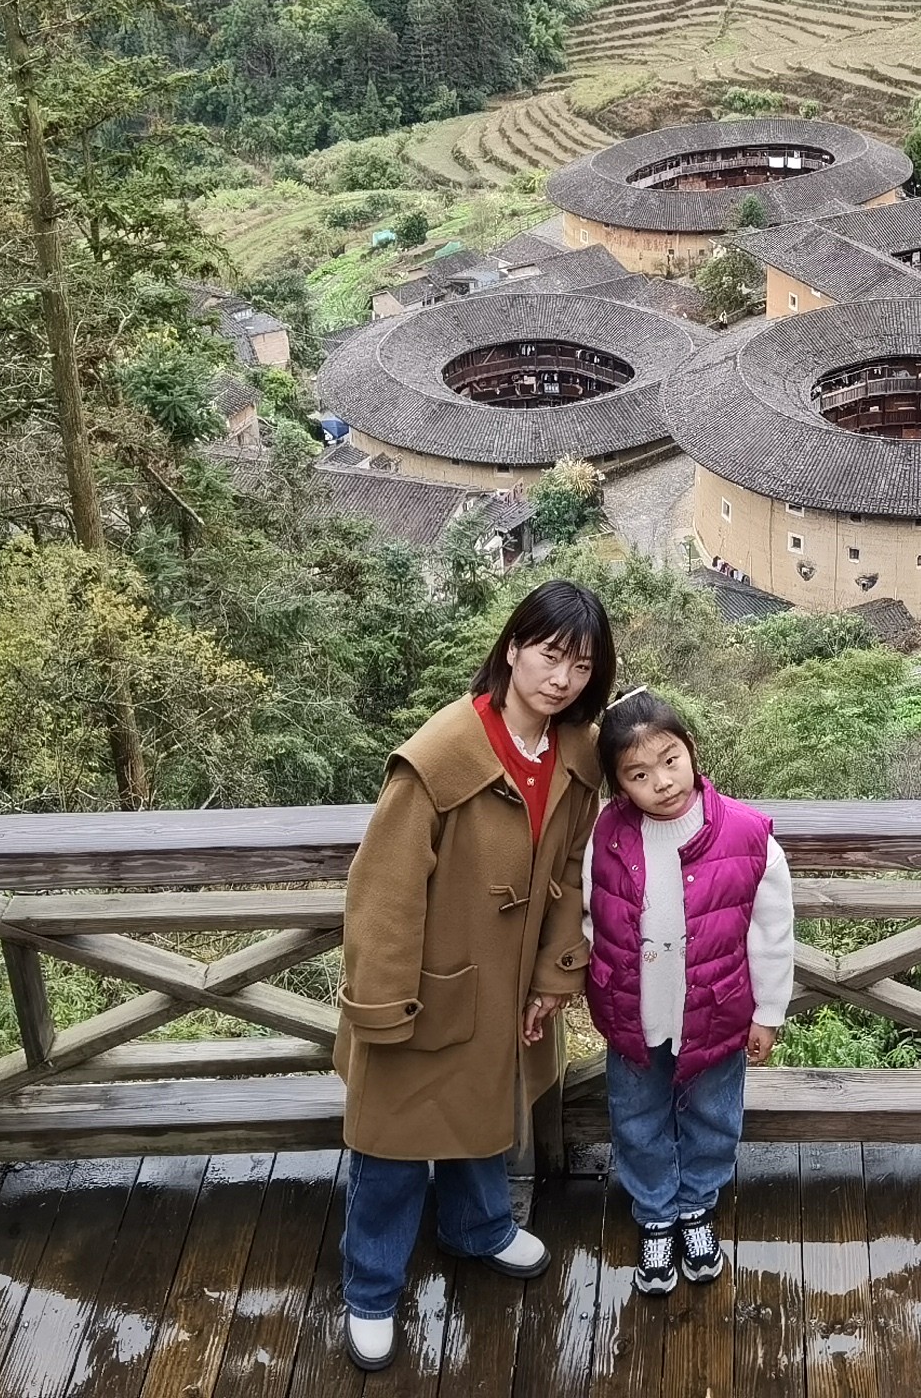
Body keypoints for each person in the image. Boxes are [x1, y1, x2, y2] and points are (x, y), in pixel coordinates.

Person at [332, 581, 616, 1369]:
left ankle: (478, 1228)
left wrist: (557, 977)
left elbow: (569, 873)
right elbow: (382, 892)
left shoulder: (574, 755)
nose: (561, 679)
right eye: (550, 655)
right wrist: (382, 1006)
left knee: (485, 1119)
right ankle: (371, 1288)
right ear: (514, 648)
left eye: (581, 665)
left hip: (508, 983)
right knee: (390, 1147)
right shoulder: (441, 756)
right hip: (428, 984)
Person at [579, 689, 794, 1295]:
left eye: (670, 760)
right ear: (620, 786)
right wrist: (597, 974)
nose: (663, 782)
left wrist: (769, 1012)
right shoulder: (609, 834)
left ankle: (696, 1207)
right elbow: (587, 909)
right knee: (637, 1117)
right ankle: (655, 1215)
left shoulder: (747, 834)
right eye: (640, 774)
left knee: (713, 1115)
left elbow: (772, 933)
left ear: (691, 752)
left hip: (718, 1009)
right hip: (635, 1012)